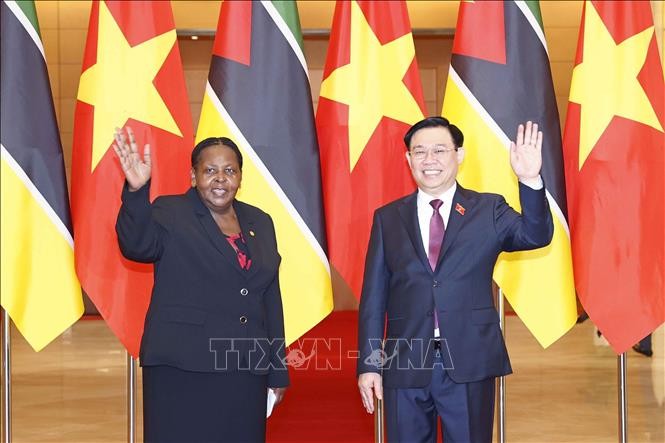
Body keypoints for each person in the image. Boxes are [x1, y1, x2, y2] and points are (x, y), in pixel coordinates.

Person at [357, 117, 553, 443]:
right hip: (405, 364)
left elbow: (536, 234)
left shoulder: (487, 209)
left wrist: (530, 179)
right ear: (408, 159)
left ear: (459, 155)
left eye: (439, 150)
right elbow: (373, 299)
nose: (429, 160)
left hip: (469, 362)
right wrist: (369, 364)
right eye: (419, 152)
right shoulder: (388, 217)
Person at [113, 128, 289, 443]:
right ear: (194, 176)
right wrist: (137, 192)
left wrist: (276, 369)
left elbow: (270, 299)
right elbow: (137, 245)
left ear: (240, 178)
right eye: (210, 170)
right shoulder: (169, 211)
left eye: (229, 170)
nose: (220, 178)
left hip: (245, 371)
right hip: (182, 369)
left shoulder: (260, 222)